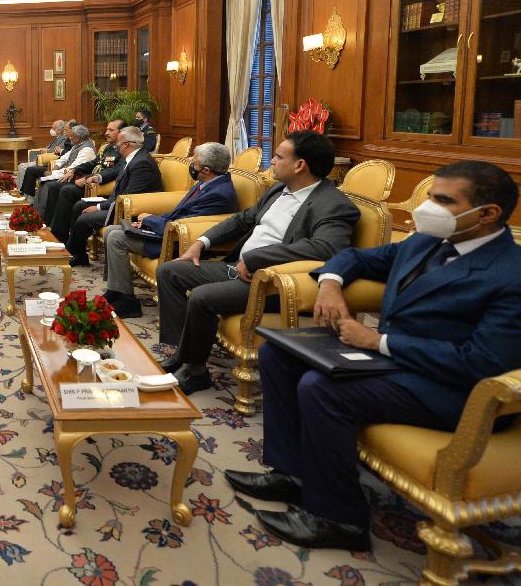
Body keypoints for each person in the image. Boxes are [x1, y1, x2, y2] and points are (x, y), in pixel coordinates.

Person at [227, 160, 521, 551]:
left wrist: (378, 342)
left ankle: (339, 518)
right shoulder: (426, 241)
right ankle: (290, 474)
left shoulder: (510, 275)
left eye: (443, 201)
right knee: (278, 356)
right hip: (394, 362)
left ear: (487, 214)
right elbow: (358, 258)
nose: (427, 208)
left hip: (455, 390)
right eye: (431, 196)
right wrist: (330, 284)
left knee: (321, 388)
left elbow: (482, 363)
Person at [156, 131, 360, 394]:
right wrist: (201, 242)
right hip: (237, 268)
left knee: (202, 297)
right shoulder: (277, 189)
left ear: (300, 165)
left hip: (270, 283)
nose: (272, 162)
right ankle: (179, 352)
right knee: (169, 271)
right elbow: (243, 219)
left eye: (278, 156)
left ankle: (195, 371)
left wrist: (256, 259)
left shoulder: (333, 204)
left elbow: (326, 248)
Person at [100, 142, 237, 318]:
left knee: (116, 237)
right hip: (167, 231)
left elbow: (185, 225)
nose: (191, 165)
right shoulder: (206, 182)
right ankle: (115, 291)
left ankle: (127, 301)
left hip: (177, 241)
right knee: (112, 229)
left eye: (194, 163)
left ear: (206, 170)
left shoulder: (219, 194)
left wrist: (149, 220)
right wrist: (148, 222)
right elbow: (176, 213)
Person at [64, 126, 162, 267]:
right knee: (80, 205)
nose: (116, 146)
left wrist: (98, 207)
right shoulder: (132, 158)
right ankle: (78, 255)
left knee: (84, 219)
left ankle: (74, 254)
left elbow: (129, 197)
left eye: (118, 143)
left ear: (126, 144)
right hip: (116, 202)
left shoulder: (142, 163)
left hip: (128, 211)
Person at [45, 120, 125, 243]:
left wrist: (91, 178)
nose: (106, 133)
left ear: (122, 132)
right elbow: (93, 163)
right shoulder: (108, 148)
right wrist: (74, 170)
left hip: (100, 187)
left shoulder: (123, 150)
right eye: (107, 129)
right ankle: (52, 228)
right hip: (90, 181)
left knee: (67, 190)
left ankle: (60, 236)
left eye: (111, 130)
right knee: (56, 186)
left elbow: (115, 171)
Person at [29, 123, 96, 209]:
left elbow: (74, 168)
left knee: (50, 185)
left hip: (76, 179)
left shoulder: (87, 149)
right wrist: (55, 168)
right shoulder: (76, 145)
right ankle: (37, 211)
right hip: (66, 175)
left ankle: (46, 214)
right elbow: (64, 158)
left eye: (71, 136)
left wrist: (53, 174)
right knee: (44, 182)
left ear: (78, 138)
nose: (69, 137)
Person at [18, 120, 72, 197]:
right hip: (50, 161)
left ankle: (23, 193)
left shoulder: (63, 138)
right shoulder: (58, 137)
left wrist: (47, 151)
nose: (51, 130)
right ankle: (21, 190)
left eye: (53, 128)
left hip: (51, 162)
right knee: (22, 166)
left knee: (25, 168)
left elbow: (58, 151)